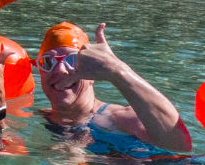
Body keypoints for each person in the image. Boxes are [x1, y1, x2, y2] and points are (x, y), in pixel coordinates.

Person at [35, 23, 193, 155]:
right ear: (40, 73)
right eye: (47, 63)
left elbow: (178, 146)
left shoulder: (122, 119)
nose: (60, 69)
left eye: (73, 60)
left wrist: (116, 70)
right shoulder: (43, 116)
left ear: (92, 75)